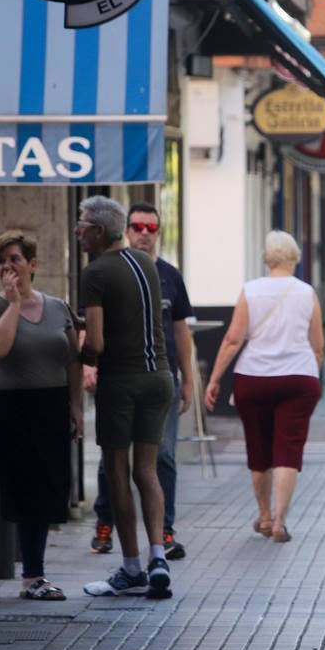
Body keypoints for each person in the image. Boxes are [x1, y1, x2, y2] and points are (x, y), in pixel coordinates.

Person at [75, 196, 176, 599]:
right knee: (147, 470)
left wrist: (73, 343)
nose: (78, 231)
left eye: (82, 225)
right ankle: (159, 557)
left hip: (122, 382)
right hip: (160, 377)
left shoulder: (95, 272)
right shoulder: (146, 263)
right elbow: (129, 318)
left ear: (99, 231)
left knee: (117, 468)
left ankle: (131, 566)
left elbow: (96, 343)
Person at [0, 231, 83, 601]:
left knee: (48, 489)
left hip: (51, 406)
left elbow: (72, 359)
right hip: (13, 408)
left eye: (15, 259)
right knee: (22, 491)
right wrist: (12, 304)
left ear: (32, 265)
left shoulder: (57, 307)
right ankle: (31, 577)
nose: (8, 267)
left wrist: (75, 407)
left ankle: (34, 573)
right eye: (1, 262)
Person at [88, 203, 194, 561]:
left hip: (144, 378)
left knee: (152, 459)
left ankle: (154, 540)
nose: (145, 233)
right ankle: (114, 529)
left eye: (152, 227)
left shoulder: (163, 274)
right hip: (141, 378)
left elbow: (180, 332)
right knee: (120, 465)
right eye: (138, 226)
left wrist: (188, 381)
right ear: (126, 229)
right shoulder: (121, 270)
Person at [204, 230, 324, 543]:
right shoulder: (306, 293)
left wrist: (215, 379)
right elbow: (318, 346)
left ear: (266, 259)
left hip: (253, 378)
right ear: (295, 258)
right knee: (288, 449)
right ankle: (281, 521)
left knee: (259, 449)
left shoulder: (251, 291)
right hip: (299, 379)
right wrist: (311, 371)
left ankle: (264, 515)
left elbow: (232, 340)